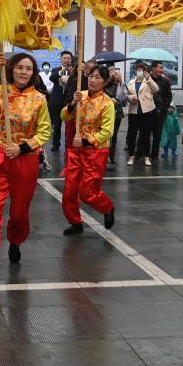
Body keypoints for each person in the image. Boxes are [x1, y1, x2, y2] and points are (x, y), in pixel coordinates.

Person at [0, 52, 50, 280]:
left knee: (18, 213)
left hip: (25, 159)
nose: (23, 72)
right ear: (12, 69)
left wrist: (21, 148)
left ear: (33, 73)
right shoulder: (0, 91)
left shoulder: (39, 99)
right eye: (19, 67)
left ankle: (15, 241)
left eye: (28, 68)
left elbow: (44, 131)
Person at [60, 65, 116, 234]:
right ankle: (75, 222)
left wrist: (86, 141)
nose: (93, 80)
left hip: (95, 152)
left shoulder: (107, 103)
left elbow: (107, 131)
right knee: (69, 191)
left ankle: (107, 207)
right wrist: (72, 103)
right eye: (91, 76)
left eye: (98, 77)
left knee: (88, 193)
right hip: (76, 151)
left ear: (105, 82)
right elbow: (64, 116)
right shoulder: (80, 95)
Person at [125, 61, 160, 166]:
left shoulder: (148, 81)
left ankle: (147, 157)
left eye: (141, 70)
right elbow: (127, 95)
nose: (140, 71)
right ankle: (131, 156)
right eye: (138, 70)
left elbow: (156, 89)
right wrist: (131, 98)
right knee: (132, 135)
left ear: (145, 71)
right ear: (135, 71)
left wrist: (148, 78)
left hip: (146, 112)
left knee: (145, 135)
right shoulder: (131, 82)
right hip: (133, 111)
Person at [48, 51, 74, 151]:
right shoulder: (55, 70)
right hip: (56, 101)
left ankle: (68, 144)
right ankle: (56, 144)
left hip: (69, 101)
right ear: (61, 59)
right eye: (64, 58)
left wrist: (72, 74)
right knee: (57, 124)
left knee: (69, 125)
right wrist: (60, 73)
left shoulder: (73, 71)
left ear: (71, 59)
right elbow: (52, 78)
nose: (66, 60)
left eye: (68, 58)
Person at [148, 62, 174, 162]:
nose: (162, 70)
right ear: (153, 68)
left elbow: (169, 96)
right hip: (147, 112)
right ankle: (143, 154)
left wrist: (164, 108)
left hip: (160, 113)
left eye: (162, 68)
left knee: (157, 135)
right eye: (160, 68)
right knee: (144, 134)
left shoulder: (165, 81)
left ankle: (154, 155)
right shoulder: (147, 80)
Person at [103, 67, 127, 170]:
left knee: (113, 136)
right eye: (114, 73)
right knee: (105, 135)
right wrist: (110, 100)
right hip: (106, 113)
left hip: (117, 114)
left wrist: (117, 101)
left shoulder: (122, 86)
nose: (116, 75)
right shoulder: (105, 84)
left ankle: (111, 157)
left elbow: (124, 101)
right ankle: (104, 157)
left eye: (118, 74)